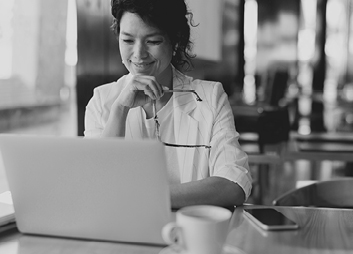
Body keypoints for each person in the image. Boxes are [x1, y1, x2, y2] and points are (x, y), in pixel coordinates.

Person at [84, 0, 252, 209]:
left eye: (152, 41)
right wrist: (120, 110)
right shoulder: (102, 101)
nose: (138, 54)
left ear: (175, 42)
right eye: (127, 40)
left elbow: (233, 185)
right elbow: (97, 187)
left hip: (191, 233)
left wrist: (146, 197)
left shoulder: (210, 97)